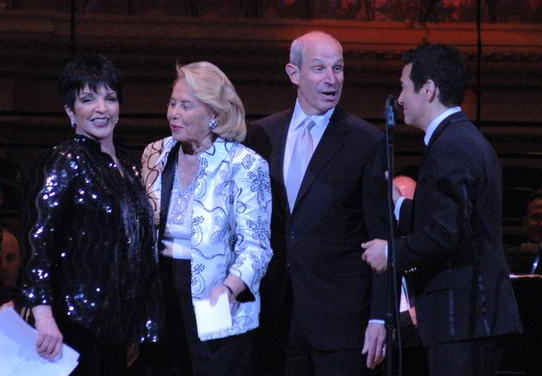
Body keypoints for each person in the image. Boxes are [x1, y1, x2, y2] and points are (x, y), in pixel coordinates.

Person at [362, 43, 523, 376]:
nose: (400, 98)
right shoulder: (461, 138)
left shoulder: (450, 146)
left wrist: (391, 252)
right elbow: (453, 222)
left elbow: (445, 234)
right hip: (470, 320)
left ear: (429, 89)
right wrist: (399, 203)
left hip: (462, 319)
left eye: (405, 87)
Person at [246, 30, 388, 376]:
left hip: (341, 321)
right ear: (293, 74)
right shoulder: (261, 135)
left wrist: (379, 317)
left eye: (338, 69)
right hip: (275, 316)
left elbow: (382, 236)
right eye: (320, 68)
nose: (331, 79)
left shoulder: (366, 141)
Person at [21, 55, 162, 376]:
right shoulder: (62, 160)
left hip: (118, 326)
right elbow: (36, 241)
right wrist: (43, 316)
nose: (102, 108)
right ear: (70, 110)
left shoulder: (128, 163)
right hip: (71, 324)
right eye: (88, 99)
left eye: (110, 98)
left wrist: (136, 326)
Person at [140, 61, 273, 375]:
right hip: (162, 299)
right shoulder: (154, 154)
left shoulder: (245, 165)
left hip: (219, 304)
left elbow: (256, 248)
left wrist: (228, 289)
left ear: (215, 114)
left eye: (186, 105)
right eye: (173, 103)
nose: (174, 113)